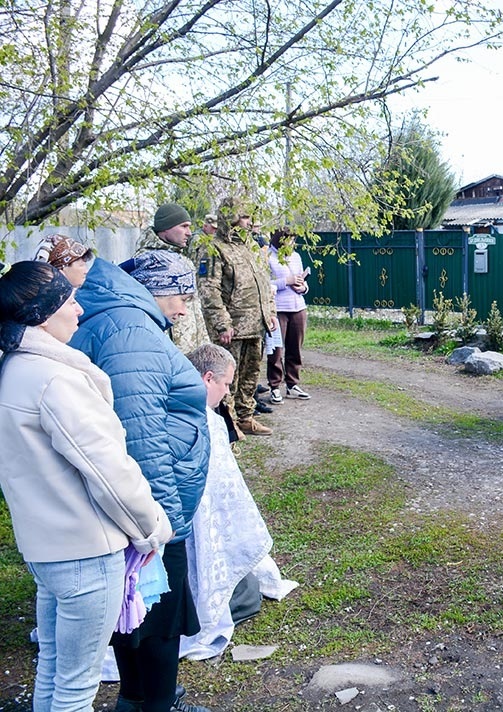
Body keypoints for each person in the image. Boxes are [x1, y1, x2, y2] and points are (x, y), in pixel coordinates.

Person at [0, 261, 171, 712]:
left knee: (53, 669)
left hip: (45, 551)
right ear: (42, 313)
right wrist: (152, 527)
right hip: (85, 554)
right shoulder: (55, 379)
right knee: (76, 687)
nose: (79, 310)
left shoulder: (12, 370)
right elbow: (108, 472)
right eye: (69, 301)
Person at [69, 251, 211, 712]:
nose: (185, 308)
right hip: (149, 505)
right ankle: (157, 703)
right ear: (154, 289)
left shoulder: (117, 318)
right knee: (158, 613)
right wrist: (163, 523)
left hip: (128, 503)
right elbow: (141, 435)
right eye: (182, 295)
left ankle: (136, 698)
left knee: (132, 607)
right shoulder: (132, 331)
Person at [181, 344, 298, 659]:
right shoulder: (202, 421)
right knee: (243, 593)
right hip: (189, 534)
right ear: (208, 379)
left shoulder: (187, 411)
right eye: (225, 385)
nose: (227, 393)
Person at [198, 199, 278, 436]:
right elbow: (208, 289)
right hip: (232, 327)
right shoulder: (213, 248)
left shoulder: (251, 247)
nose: (249, 222)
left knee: (251, 376)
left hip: (256, 325)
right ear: (229, 218)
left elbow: (264, 283)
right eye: (243, 217)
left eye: (249, 217)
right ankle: (228, 424)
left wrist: (270, 312)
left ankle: (245, 417)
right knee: (227, 380)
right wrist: (221, 323)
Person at [135, 203, 211, 355]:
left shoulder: (181, 259)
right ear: (165, 228)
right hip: (170, 353)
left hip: (193, 350)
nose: (189, 233)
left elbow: (194, 308)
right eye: (183, 226)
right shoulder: (148, 262)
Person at [266, 228, 311, 404]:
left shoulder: (296, 256)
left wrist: (303, 287)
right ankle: (275, 386)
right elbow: (265, 283)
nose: (291, 243)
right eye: (288, 239)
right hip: (277, 308)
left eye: (293, 240)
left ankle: (292, 384)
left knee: (295, 348)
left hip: (298, 306)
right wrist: (287, 282)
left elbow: (301, 280)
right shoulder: (268, 257)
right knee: (276, 350)